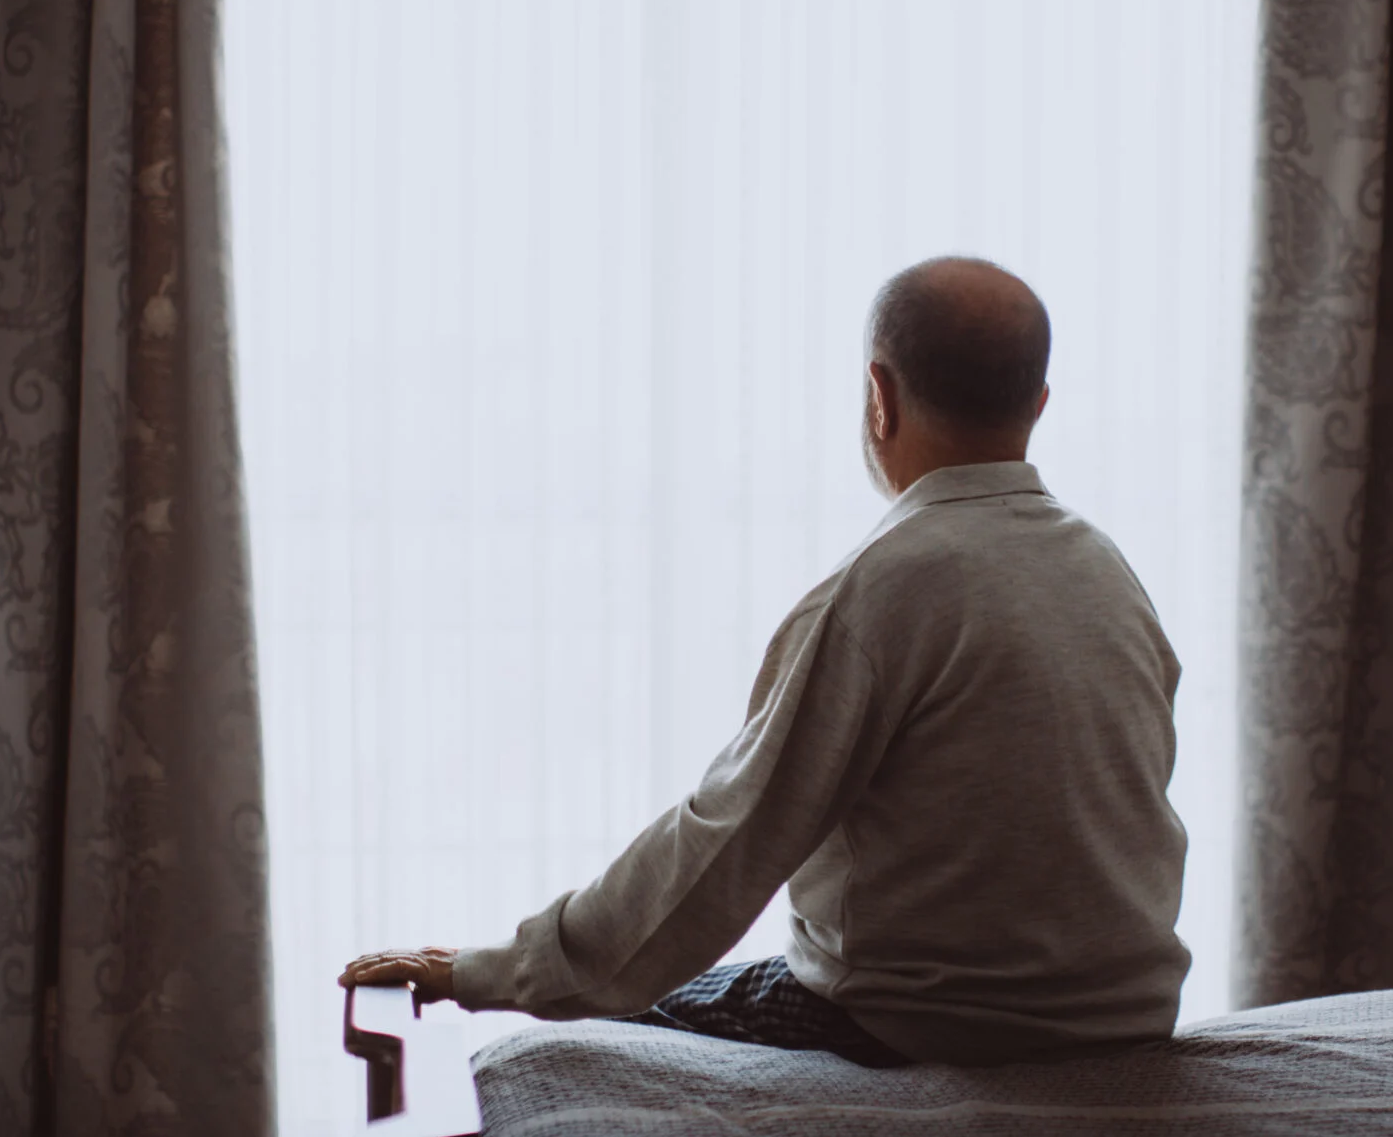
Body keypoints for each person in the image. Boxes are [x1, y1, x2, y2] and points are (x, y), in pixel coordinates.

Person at [339, 256, 1189, 1066]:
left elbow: (727, 841)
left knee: (599, 1018)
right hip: (1120, 1024)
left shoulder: (885, 588)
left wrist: (482, 972)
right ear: (1038, 403)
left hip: (920, 1028)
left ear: (878, 397)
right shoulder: (1110, 573)